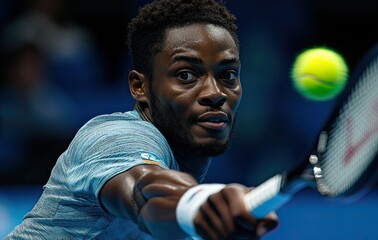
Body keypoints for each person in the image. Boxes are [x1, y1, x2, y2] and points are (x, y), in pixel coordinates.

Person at [5, 0, 279, 239]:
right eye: (186, 75)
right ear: (140, 87)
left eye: (228, 74)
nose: (215, 93)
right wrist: (195, 204)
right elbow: (143, 193)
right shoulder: (115, 137)